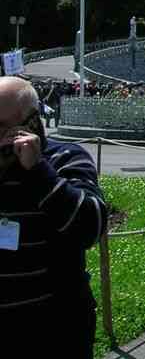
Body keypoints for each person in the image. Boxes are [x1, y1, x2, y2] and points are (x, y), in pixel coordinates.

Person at [0, 76, 108, 356]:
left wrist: (37, 171)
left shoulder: (65, 158)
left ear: (31, 124)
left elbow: (91, 227)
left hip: (53, 328)